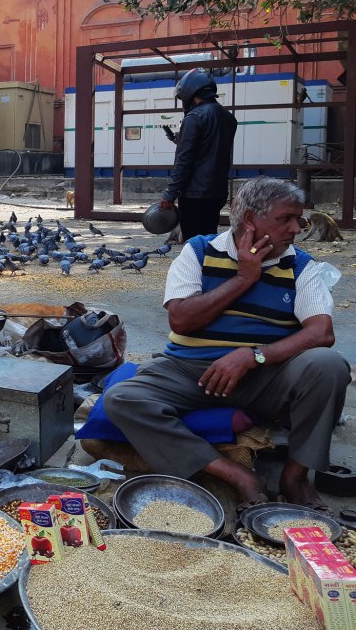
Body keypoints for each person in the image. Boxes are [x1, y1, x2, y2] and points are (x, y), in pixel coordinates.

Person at [105, 177, 350, 512]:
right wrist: (243, 279)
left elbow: (321, 333)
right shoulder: (198, 251)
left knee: (328, 365)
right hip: (190, 372)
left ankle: (295, 476)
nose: (296, 228)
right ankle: (235, 475)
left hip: (268, 377)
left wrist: (254, 356)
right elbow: (181, 320)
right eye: (285, 219)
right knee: (122, 398)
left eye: (299, 219)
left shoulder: (301, 266)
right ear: (250, 219)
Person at [159, 68, 238, 240]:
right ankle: (209, 266)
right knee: (209, 239)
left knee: (194, 245)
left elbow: (184, 159)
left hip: (194, 194)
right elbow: (210, 148)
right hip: (217, 191)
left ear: (190, 92)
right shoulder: (228, 117)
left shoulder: (194, 117)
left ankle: (195, 267)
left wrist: (170, 193)